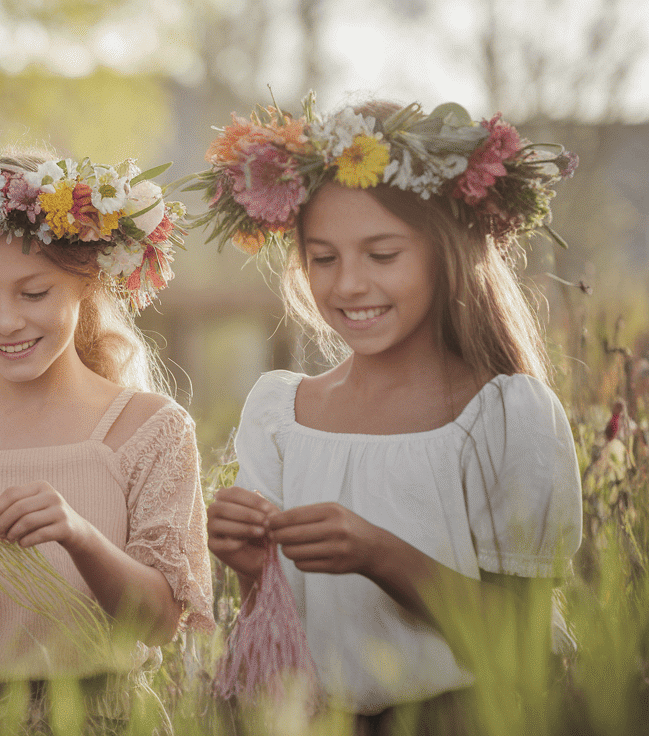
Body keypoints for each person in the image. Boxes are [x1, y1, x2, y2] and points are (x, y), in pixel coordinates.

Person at [198, 99, 583, 730]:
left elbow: (520, 646)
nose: (348, 284)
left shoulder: (503, 416)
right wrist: (251, 566)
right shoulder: (281, 411)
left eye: (382, 255)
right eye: (324, 258)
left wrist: (382, 555)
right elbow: (276, 637)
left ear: (446, 254)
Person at [0, 138, 216, 731]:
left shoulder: (148, 430)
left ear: (87, 280)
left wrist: (81, 536)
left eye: (34, 293)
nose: (5, 321)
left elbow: (158, 622)